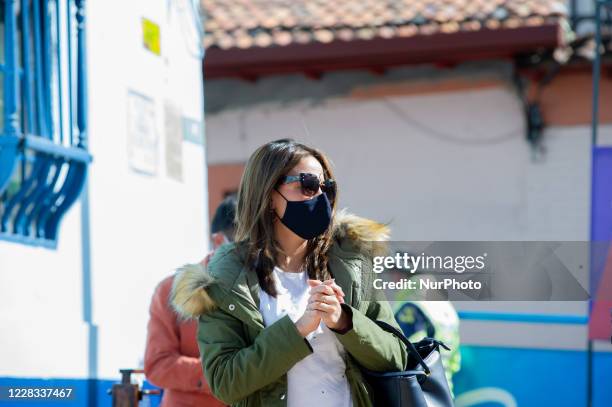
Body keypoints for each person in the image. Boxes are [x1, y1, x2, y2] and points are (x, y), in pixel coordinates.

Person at [170, 139, 408, 407]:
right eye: (307, 185)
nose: (319, 196)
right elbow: (225, 382)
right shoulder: (227, 276)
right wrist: (296, 332)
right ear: (269, 194)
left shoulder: (351, 263)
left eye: (326, 188)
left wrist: (345, 321)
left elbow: (398, 356)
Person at [143, 195, 236, 407]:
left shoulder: (265, 288)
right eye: (245, 246)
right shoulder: (169, 290)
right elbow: (157, 365)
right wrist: (223, 374)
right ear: (219, 241)